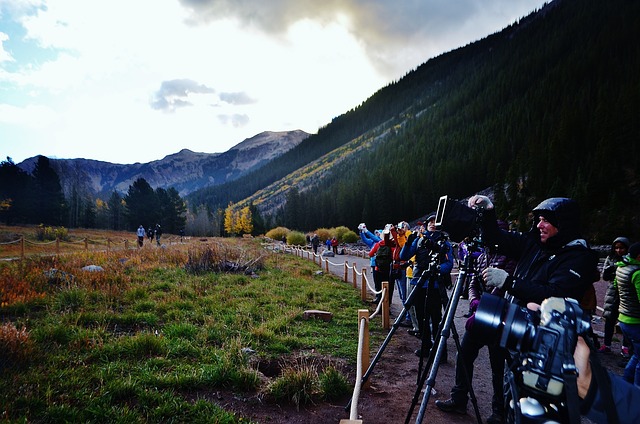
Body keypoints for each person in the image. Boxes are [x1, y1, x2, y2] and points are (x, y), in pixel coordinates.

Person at [436, 195, 600, 416]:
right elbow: (496, 238)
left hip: (545, 347)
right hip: (515, 328)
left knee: (531, 404)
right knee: (510, 386)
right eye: (539, 219)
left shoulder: (579, 257)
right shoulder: (534, 244)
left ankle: (499, 413)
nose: (540, 224)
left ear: (564, 223)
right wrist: (488, 210)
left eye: (547, 220)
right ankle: (484, 406)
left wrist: (508, 282)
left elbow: (555, 295)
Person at [437, 221, 517, 424]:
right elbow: (472, 281)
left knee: (498, 365)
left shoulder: (512, 257)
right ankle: (459, 398)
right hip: (480, 314)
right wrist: (473, 300)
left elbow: (504, 288)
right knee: (464, 354)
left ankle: (499, 411)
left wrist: (483, 304)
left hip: (501, 318)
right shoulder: (482, 256)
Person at [399, 214, 454, 358]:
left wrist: (436, 269)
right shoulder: (419, 241)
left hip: (435, 285)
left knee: (436, 318)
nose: (432, 224)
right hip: (419, 283)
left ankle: (440, 353)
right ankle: (425, 347)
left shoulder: (444, 243)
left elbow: (449, 264)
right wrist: (408, 242)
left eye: (435, 222)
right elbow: (403, 256)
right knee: (421, 316)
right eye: (430, 222)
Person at [600, 236, 631, 356]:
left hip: (625, 293)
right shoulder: (610, 258)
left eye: (621, 248)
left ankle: (625, 347)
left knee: (625, 321)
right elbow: (605, 276)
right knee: (609, 319)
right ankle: (607, 344)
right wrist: (610, 271)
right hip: (612, 293)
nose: (619, 250)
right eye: (616, 248)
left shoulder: (630, 259)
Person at [615, 242, 640, 387]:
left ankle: (625, 384)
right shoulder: (637, 273)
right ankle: (637, 392)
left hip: (623, 317)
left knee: (637, 355)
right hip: (635, 320)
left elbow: (614, 287)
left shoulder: (621, 268)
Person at [369, 228, 395, 306]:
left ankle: (379, 304)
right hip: (389, 270)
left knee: (379, 287)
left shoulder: (378, 244)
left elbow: (370, 254)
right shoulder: (392, 245)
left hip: (378, 269)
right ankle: (387, 306)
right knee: (389, 289)